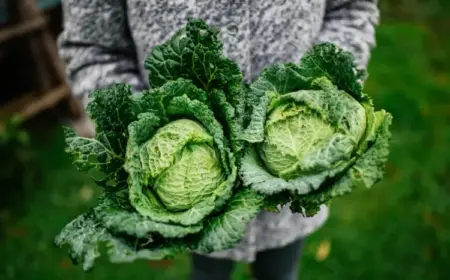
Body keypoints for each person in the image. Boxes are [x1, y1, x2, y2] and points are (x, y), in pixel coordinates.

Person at [58, 1, 379, 279]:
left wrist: (322, 93)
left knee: (281, 270)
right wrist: (148, 131)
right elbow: (92, 48)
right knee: (207, 269)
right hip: (189, 192)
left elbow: (351, 8)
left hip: (298, 174)